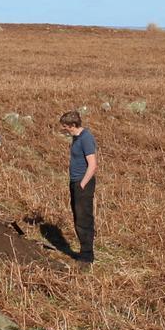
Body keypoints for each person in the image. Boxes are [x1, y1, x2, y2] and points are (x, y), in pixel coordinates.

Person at [60, 110, 97, 263]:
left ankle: (87, 257)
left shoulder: (86, 138)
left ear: (73, 125)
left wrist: (82, 184)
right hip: (75, 182)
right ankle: (84, 252)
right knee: (78, 218)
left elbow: (93, 165)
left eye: (66, 126)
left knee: (84, 220)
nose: (64, 129)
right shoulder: (76, 138)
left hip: (83, 183)